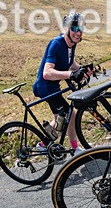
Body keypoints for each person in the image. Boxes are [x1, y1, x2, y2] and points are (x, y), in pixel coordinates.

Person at [33, 11, 91, 155]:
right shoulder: (56, 44)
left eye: (81, 29)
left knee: (61, 119)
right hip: (46, 87)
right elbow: (47, 73)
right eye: (75, 28)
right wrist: (71, 74)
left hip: (53, 86)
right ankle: (74, 149)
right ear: (67, 29)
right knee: (70, 115)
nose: (78, 33)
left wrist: (82, 69)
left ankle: (42, 144)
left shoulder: (71, 43)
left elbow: (69, 62)